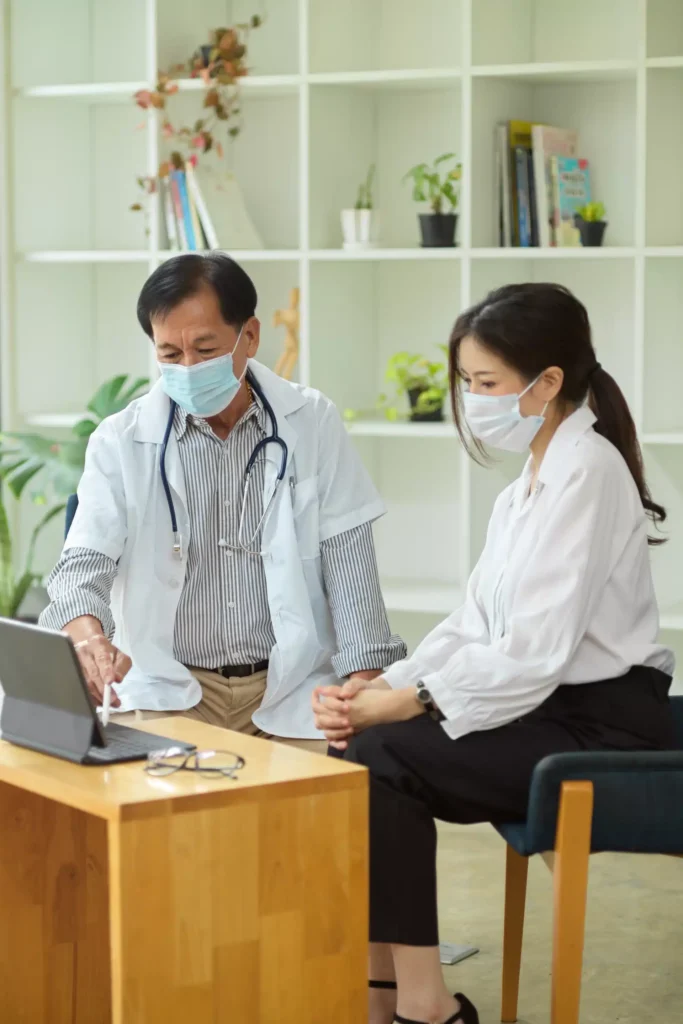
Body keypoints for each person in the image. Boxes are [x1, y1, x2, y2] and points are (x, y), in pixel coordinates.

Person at [313, 282, 676, 1024]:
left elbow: (536, 652)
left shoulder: (588, 471)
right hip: (551, 711)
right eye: (467, 382)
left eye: (486, 383)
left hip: (602, 725)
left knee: (384, 756)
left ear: (546, 383)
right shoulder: (525, 489)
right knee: (357, 747)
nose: (472, 400)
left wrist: (408, 703)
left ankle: (425, 1006)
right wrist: (379, 688)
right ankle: (382, 993)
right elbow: (473, 623)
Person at [40, 253, 406, 749]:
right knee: (145, 790)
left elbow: (348, 557)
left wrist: (364, 684)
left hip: (292, 688)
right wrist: (89, 638)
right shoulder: (121, 439)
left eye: (205, 349)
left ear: (249, 336)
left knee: (340, 784)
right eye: (170, 354)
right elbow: (82, 564)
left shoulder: (311, 420)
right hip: (171, 690)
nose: (188, 368)